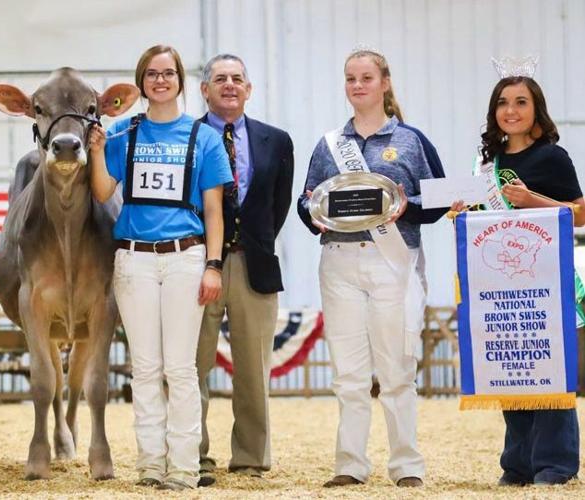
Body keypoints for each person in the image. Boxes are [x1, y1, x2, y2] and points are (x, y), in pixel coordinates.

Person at [295, 48, 446, 488]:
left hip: (392, 261)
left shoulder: (411, 141)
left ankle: (406, 466)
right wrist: (314, 214)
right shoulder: (329, 146)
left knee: (397, 367)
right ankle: (350, 465)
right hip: (339, 261)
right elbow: (307, 202)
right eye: (349, 78)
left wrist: (405, 205)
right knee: (349, 372)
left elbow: (436, 201)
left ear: (384, 83)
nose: (357, 85)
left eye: (365, 77)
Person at [87, 45, 230, 491]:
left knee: (181, 369)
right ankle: (151, 463)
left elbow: (214, 210)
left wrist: (213, 264)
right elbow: (103, 190)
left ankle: (184, 466)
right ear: (141, 82)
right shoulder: (122, 134)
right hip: (134, 258)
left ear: (180, 81)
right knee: (144, 367)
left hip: (186, 256)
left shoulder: (202, 137)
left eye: (168, 73)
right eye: (151, 73)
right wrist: (95, 151)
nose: (160, 80)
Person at [451, 74, 583, 486]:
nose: (510, 110)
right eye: (503, 102)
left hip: (546, 279)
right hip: (501, 282)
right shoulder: (487, 165)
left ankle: (555, 464)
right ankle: (518, 463)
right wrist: (462, 212)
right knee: (513, 368)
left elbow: (579, 211)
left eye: (521, 102)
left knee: (549, 366)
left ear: (536, 112)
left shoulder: (553, 158)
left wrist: (535, 200)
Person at [193, 53, 295, 484]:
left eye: (237, 79)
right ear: (205, 90)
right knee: (191, 365)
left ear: (249, 89)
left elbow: (280, 205)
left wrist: (255, 242)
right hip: (197, 265)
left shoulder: (277, 140)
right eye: (220, 79)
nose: (229, 85)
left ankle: (251, 457)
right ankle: (192, 454)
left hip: (254, 266)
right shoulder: (188, 135)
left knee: (253, 367)